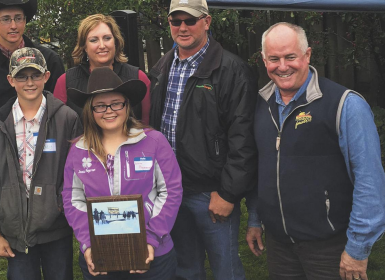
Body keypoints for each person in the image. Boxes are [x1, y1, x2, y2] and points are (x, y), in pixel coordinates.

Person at [246, 22, 385, 280]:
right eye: (274, 59)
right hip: (279, 246)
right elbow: (260, 170)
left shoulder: (346, 105)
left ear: (307, 55)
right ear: (264, 60)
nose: (282, 66)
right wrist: (255, 219)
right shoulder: (259, 105)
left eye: (290, 57)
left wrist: (357, 248)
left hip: (330, 246)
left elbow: (370, 181)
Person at [147, 0, 258, 279]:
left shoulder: (232, 69)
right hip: (171, 191)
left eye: (190, 20)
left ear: (207, 22)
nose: (182, 27)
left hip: (212, 194)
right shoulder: (162, 67)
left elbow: (243, 138)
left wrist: (229, 193)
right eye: (176, 21)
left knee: (226, 269)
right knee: (185, 269)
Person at [63, 67, 182, 279]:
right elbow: (73, 200)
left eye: (116, 103)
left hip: (152, 253)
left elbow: (171, 191)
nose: (109, 110)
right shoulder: (78, 150)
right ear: (90, 111)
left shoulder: (153, 142)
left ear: (127, 106)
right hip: (100, 256)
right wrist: (89, 244)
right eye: (100, 105)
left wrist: (151, 238)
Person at [0, 47, 82, 280]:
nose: (29, 82)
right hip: (15, 231)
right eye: (21, 76)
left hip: (55, 228)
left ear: (46, 77)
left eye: (35, 75)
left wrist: (61, 207)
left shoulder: (67, 118)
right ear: (10, 80)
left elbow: (76, 175)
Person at [52, 14, 151, 125]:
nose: (102, 45)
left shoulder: (138, 77)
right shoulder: (65, 81)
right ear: (84, 46)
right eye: (94, 40)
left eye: (107, 38)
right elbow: (59, 127)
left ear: (116, 41)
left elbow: (147, 125)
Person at [0, 0, 65, 108]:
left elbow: (59, 108)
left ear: (25, 20)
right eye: (6, 19)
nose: (13, 26)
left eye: (18, 18)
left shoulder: (49, 60)